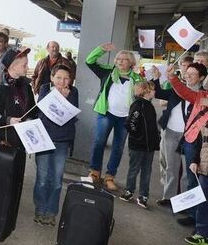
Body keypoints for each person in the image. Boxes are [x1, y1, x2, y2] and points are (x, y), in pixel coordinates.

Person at [84, 43, 144, 191]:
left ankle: (110, 177)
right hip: (106, 113)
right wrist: (101, 49)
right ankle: (94, 172)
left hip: (125, 118)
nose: (120, 61)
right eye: (118, 59)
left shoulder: (137, 78)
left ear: (131, 63)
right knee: (99, 142)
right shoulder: (108, 71)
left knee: (118, 147)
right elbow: (89, 61)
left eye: (124, 59)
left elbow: (144, 95)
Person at [152, 63, 205, 213]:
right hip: (170, 132)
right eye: (187, 72)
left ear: (201, 77)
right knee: (171, 167)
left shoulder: (203, 95)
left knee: (188, 172)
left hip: (190, 138)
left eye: (192, 74)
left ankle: (183, 203)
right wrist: (156, 78)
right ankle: (168, 197)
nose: (187, 76)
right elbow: (158, 93)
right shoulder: (176, 90)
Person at [33, 64, 78, 227]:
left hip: (62, 141)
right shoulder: (45, 89)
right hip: (44, 139)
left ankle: (51, 212)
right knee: (42, 178)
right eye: (58, 77)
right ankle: (40, 209)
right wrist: (59, 98)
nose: (62, 81)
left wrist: (65, 99)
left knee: (57, 179)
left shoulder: (74, 92)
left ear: (71, 80)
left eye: (66, 78)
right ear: (52, 78)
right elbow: (43, 111)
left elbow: (71, 118)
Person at [167, 66, 208, 245]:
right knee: (196, 180)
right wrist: (173, 79)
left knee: (201, 184)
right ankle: (195, 218)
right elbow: (185, 93)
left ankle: (200, 225)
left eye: (193, 74)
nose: (188, 76)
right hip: (195, 140)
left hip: (202, 143)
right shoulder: (203, 96)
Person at [0, 48, 36, 150]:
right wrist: (7, 120)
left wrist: (30, 119)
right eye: (24, 65)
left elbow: (32, 109)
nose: (28, 68)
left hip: (22, 141)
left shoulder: (26, 87)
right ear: (13, 66)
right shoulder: (0, 88)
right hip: (4, 143)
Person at [120, 81, 160, 209]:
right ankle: (129, 191)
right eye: (153, 90)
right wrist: (138, 137)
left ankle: (143, 195)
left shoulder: (150, 106)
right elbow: (130, 123)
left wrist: (154, 139)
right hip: (138, 146)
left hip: (149, 146)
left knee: (146, 171)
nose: (155, 92)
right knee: (135, 169)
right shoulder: (137, 105)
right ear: (145, 91)